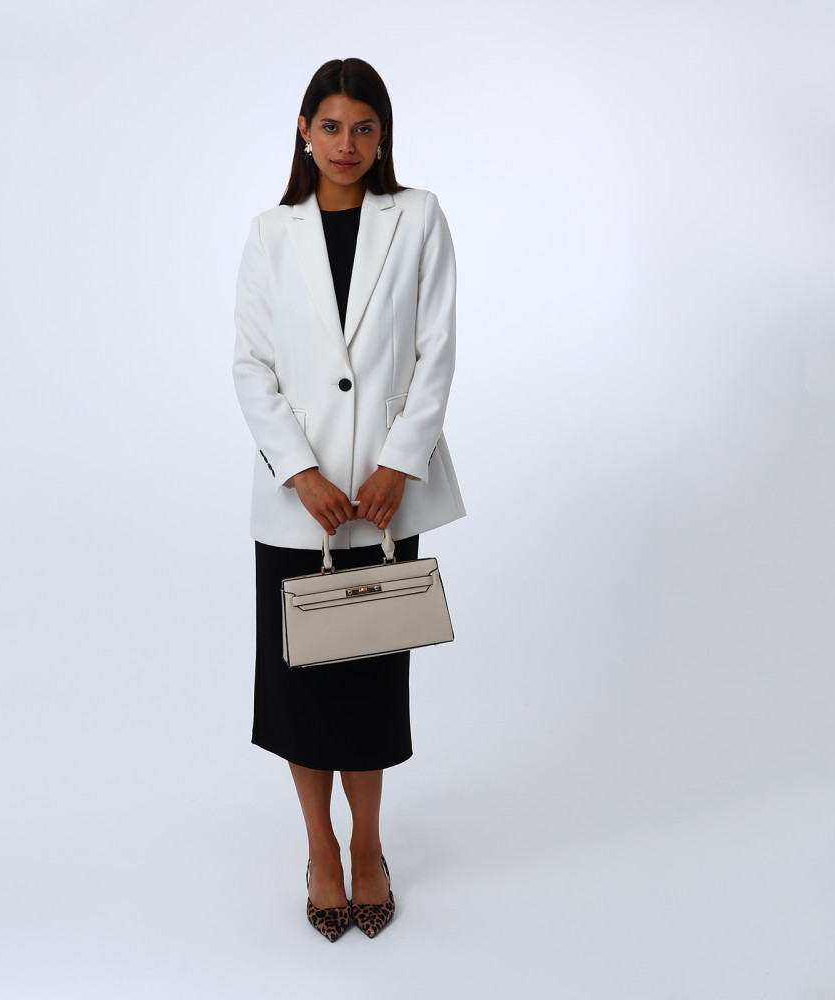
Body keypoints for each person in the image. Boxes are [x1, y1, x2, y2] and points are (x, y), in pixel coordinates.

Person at [232, 57, 465, 941]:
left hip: (382, 500)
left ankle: (368, 845)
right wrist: (300, 471)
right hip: (302, 506)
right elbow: (251, 365)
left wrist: (401, 464)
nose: (346, 144)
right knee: (301, 692)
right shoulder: (271, 233)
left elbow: (436, 350)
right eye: (330, 126)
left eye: (364, 128)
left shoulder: (419, 217)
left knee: (369, 685)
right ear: (304, 132)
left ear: (383, 136)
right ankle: (320, 852)